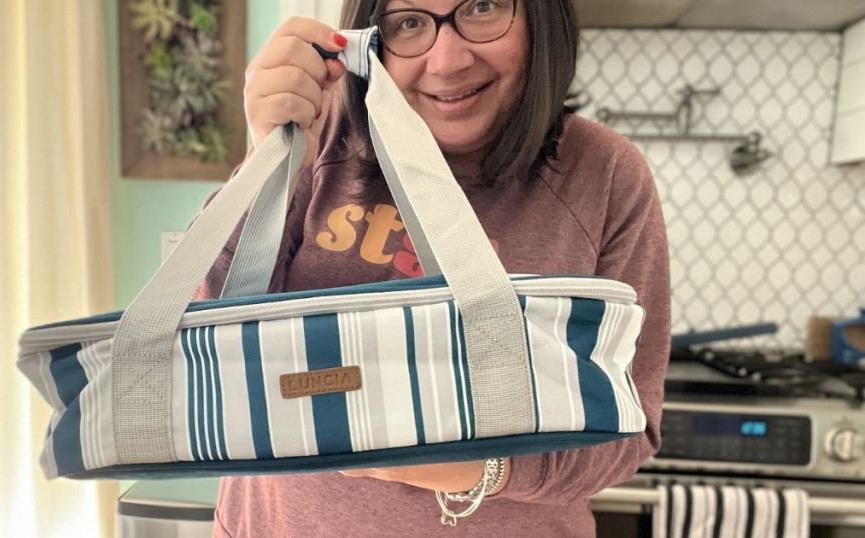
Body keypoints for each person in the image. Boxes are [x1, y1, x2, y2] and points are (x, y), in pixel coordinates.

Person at [195, 0, 671, 535]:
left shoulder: (604, 173)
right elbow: (205, 352)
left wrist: (481, 469)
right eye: (409, 23)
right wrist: (268, 159)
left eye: (483, 7)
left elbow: (629, 425)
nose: (446, 61)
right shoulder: (317, 136)